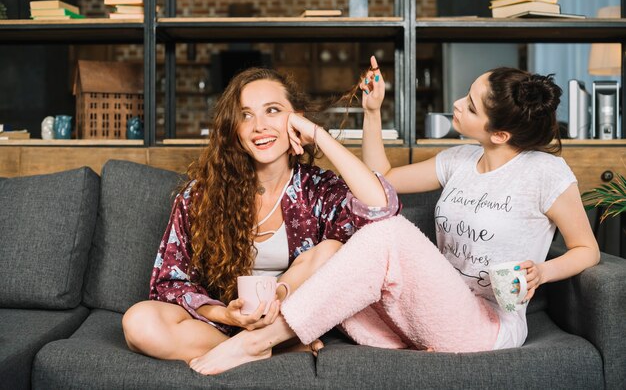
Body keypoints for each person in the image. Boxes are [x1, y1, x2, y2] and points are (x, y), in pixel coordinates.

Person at [188, 57, 600, 375]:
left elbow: (587, 250)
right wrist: (372, 112)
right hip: (431, 314)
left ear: (500, 134)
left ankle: (261, 342)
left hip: (489, 326)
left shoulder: (545, 174)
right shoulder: (459, 159)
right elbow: (380, 181)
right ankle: (290, 337)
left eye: (470, 105)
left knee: (386, 234)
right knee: (340, 253)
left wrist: (541, 273)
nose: (457, 103)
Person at [122, 67, 401, 366]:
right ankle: (256, 347)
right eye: (245, 115)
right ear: (234, 129)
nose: (259, 126)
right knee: (139, 322)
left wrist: (318, 135)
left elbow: (382, 208)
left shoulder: (318, 189)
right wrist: (225, 314)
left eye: (273, 110)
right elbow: (169, 281)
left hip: (289, 321)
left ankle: (265, 343)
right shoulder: (202, 193)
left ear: (297, 118)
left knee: (333, 249)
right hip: (228, 323)